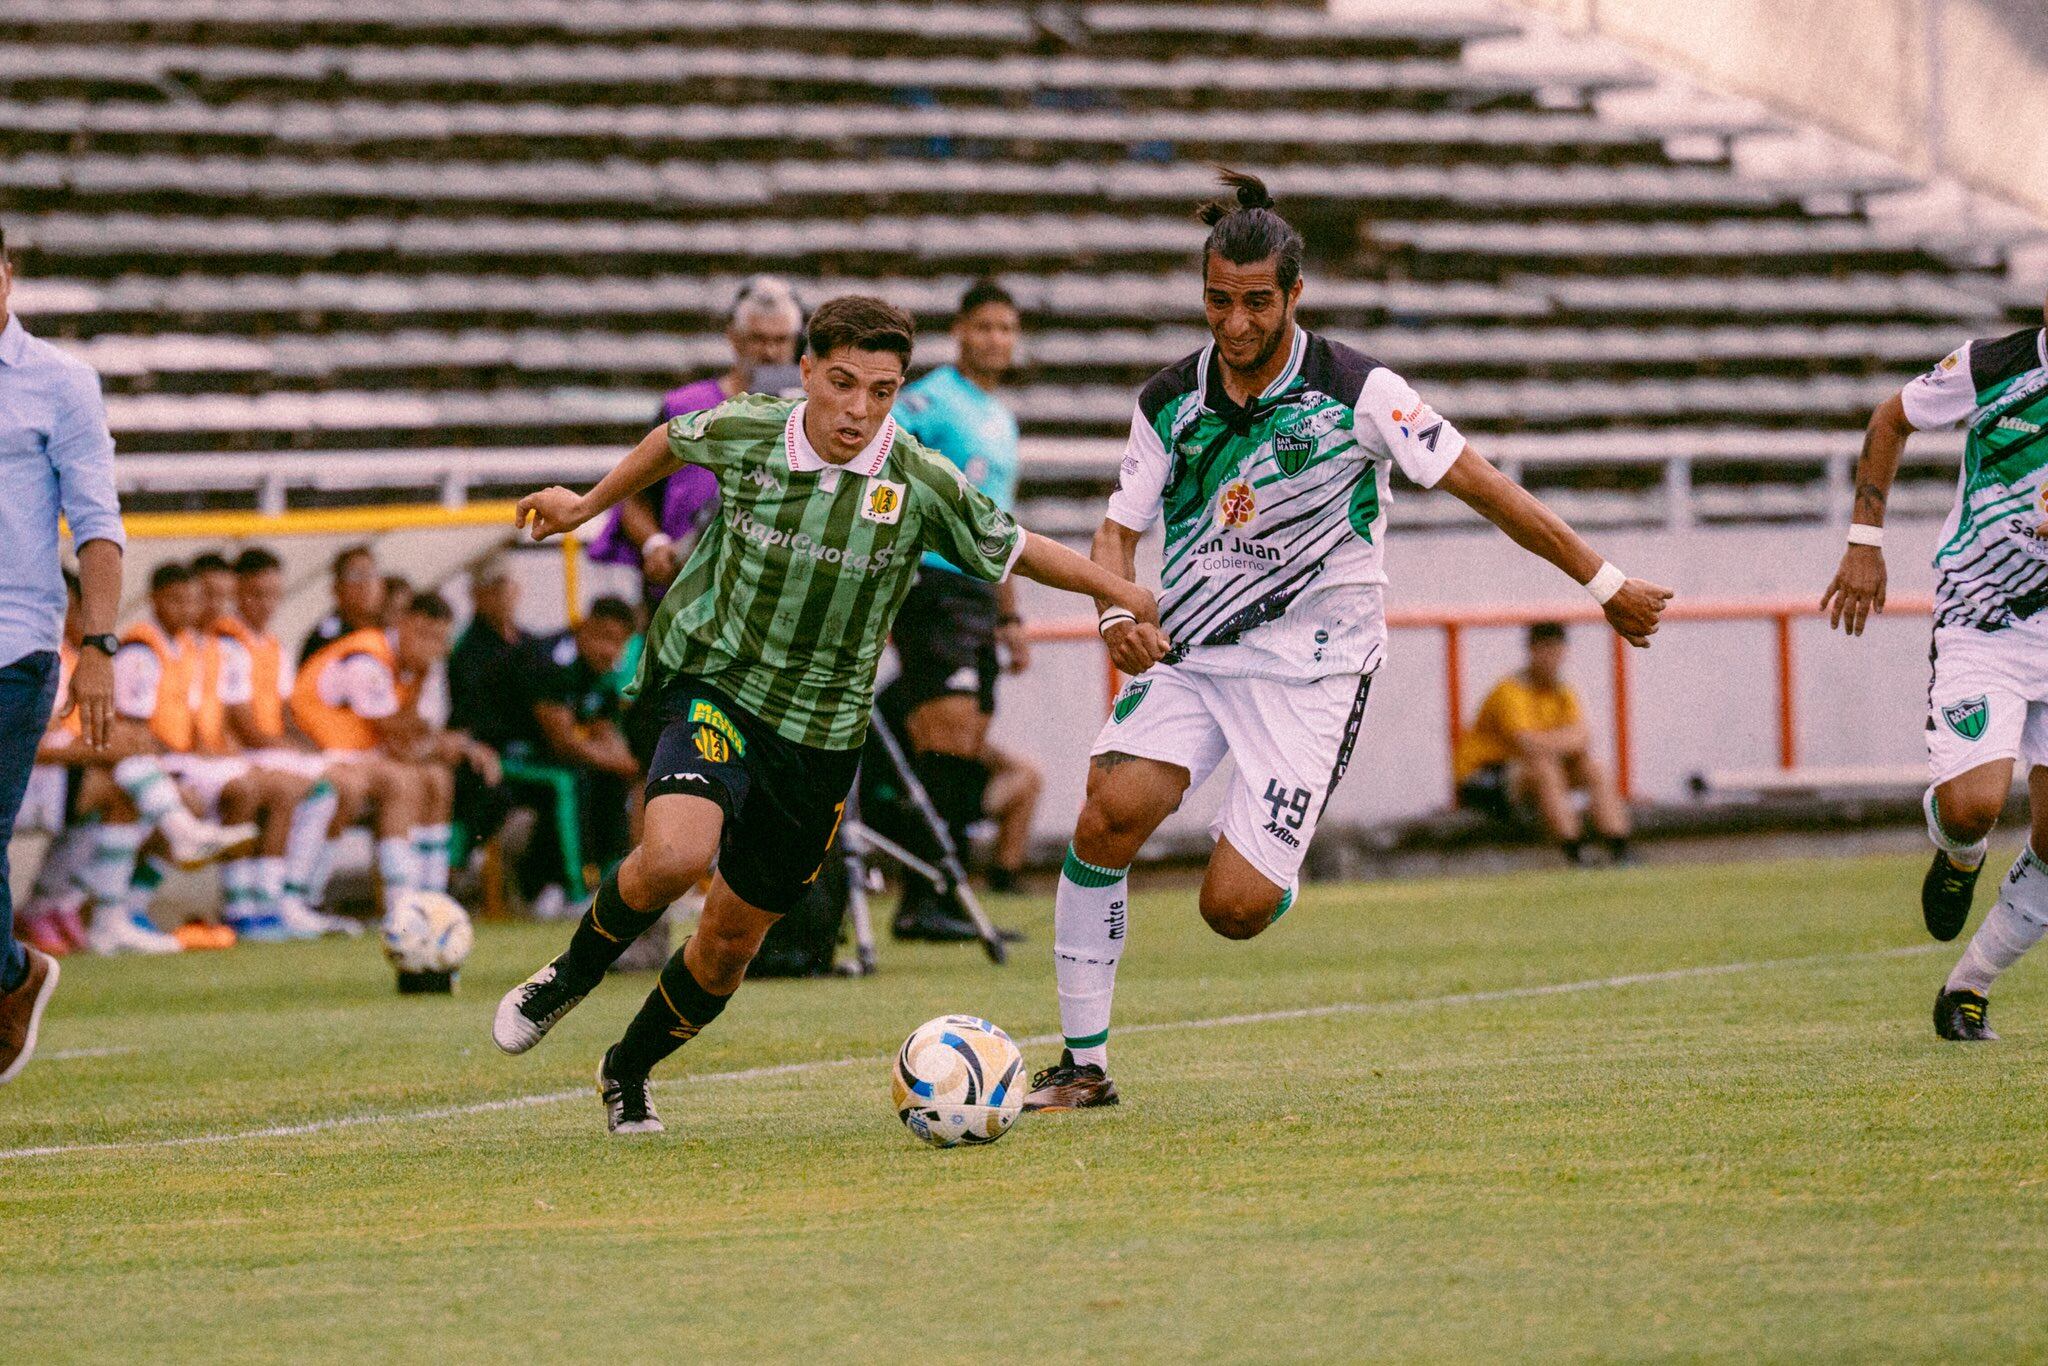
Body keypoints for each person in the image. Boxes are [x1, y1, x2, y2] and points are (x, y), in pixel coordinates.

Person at [1022, 172, 1672, 1112]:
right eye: (1217, 300)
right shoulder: (1169, 400)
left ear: (1295, 294)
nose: (1235, 323)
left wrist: (1604, 583)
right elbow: (1117, 527)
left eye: (1255, 302)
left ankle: (1272, 849)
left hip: (1314, 673)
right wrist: (1118, 612)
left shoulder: (1362, 393)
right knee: (1106, 816)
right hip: (1198, 655)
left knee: (1232, 912)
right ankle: (1084, 1067)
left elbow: (1488, 488)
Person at [492, 294, 1165, 1136]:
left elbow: (1018, 545)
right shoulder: (748, 429)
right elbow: (673, 440)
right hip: (721, 685)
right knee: (674, 853)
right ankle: (567, 976)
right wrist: (588, 504)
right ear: (807, 371)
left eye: (880, 391)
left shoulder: (918, 479)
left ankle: (628, 1068)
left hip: (822, 735)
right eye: (842, 383)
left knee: (732, 942)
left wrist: (1123, 590)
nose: (857, 408)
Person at [1822, 292, 2048, 1042]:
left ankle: (1969, 987)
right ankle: (1960, 854)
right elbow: (1891, 419)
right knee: (1973, 806)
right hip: (1985, 621)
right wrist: (1864, 539)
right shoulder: (1994, 365)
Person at [0, 221, 125, 1083]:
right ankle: (14, 973)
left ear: (6, 274)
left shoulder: (59, 383)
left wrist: (99, 644)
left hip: (14, 646)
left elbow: (98, 523)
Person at [881, 278, 1032, 941]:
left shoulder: (1002, 416)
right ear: (961, 331)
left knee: (968, 741)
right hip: (931, 587)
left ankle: (941, 892)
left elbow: (999, 521)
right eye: (985, 327)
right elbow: (880, 475)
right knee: (943, 731)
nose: (997, 339)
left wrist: (1010, 615)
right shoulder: (929, 401)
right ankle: (923, 898)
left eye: (1007, 328)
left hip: (977, 592)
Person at [588, 276, 805, 602]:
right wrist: (654, 544)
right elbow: (634, 496)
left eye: (781, 340)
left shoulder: (806, 413)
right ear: (734, 337)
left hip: (771, 593)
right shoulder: (685, 407)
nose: (770, 351)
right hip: (686, 586)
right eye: (758, 339)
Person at [290, 591, 499, 913]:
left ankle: (431, 897)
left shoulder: (414, 668)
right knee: (402, 781)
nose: (431, 647)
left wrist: (454, 744)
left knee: (437, 779)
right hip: (314, 750)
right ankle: (399, 905)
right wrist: (446, 744)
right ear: (401, 623)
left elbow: (416, 732)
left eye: (439, 640)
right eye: (423, 634)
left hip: (356, 754)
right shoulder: (366, 658)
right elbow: (398, 735)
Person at [500, 596, 641, 916]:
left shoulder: (603, 670)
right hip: (509, 754)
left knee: (611, 779)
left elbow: (604, 732)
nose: (610, 650)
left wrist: (630, 768)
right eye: (604, 637)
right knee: (568, 781)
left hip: (547, 758)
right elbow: (563, 742)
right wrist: (627, 764)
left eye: (619, 642)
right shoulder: (553, 660)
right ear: (584, 628)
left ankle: (613, 887)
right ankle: (575, 892)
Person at [1452, 621, 1632, 865]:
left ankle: (1619, 849)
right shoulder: (1509, 691)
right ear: (1532, 651)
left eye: (1558, 651)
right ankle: (1574, 854)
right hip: (1484, 777)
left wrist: (1558, 741)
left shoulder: (1563, 690)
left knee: (1594, 769)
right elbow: (1526, 744)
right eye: (1547, 650)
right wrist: (1565, 740)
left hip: (1530, 770)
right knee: (1544, 768)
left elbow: (1583, 737)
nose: (1553, 659)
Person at [298, 544, 385, 665]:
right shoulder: (324, 640)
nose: (366, 584)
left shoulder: (389, 627)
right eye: (355, 576)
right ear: (336, 588)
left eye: (371, 574)